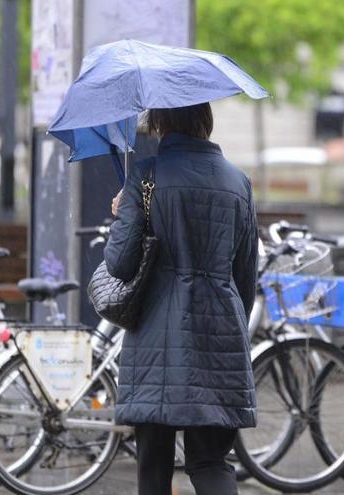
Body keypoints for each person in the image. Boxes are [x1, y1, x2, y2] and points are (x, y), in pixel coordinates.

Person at [104, 103, 258, 495]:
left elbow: (120, 265)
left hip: (157, 337)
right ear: (205, 120)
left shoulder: (148, 177)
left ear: (160, 123)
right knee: (210, 462)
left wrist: (123, 214)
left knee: (153, 467)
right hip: (219, 336)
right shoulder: (238, 182)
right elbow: (245, 278)